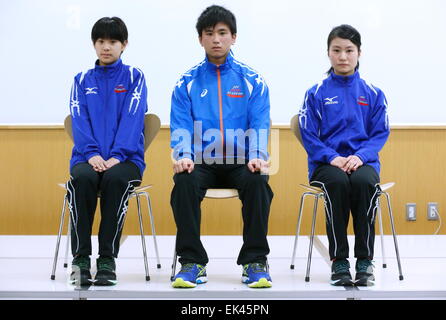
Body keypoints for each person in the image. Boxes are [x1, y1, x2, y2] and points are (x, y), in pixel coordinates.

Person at [170, 5, 273, 288]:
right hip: (202, 161)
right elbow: (181, 124)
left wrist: (257, 156)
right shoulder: (186, 82)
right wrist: (184, 155)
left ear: (233, 37)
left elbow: (260, 122)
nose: (216, 39)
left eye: (222, 33)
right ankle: (192, 262)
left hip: (241, 160)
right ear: (200, 39)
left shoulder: (253, 81)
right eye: (209, 33)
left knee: (258, 181)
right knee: (184, 182)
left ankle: (255, 261)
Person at [298, 24, 390, 286]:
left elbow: (380, 133)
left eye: (349, 50)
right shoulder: (315, 93)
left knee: (363, 183)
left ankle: (364, 261)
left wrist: (361, 156)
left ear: (359, 52)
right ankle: (339, 262)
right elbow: (309, 135)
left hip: (363, 162)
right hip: (326, 164)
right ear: (328, 53)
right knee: (337, 184)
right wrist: (331, 158)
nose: (343, 56)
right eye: (336, 50)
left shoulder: (373, 93)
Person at [67, 17, 148, 286]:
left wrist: (118, 155)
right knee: (82, 180)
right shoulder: (80, 80)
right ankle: (80, 258)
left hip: (126, 159)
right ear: (94, 44)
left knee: (115, 180)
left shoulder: (135, 77)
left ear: (124, 44)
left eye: (112, 41)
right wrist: (91, 154)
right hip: (86, 158)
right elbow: (78, 120)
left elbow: (133, 118)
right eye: (101, 41)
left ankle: (106, 259)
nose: (106, 46)